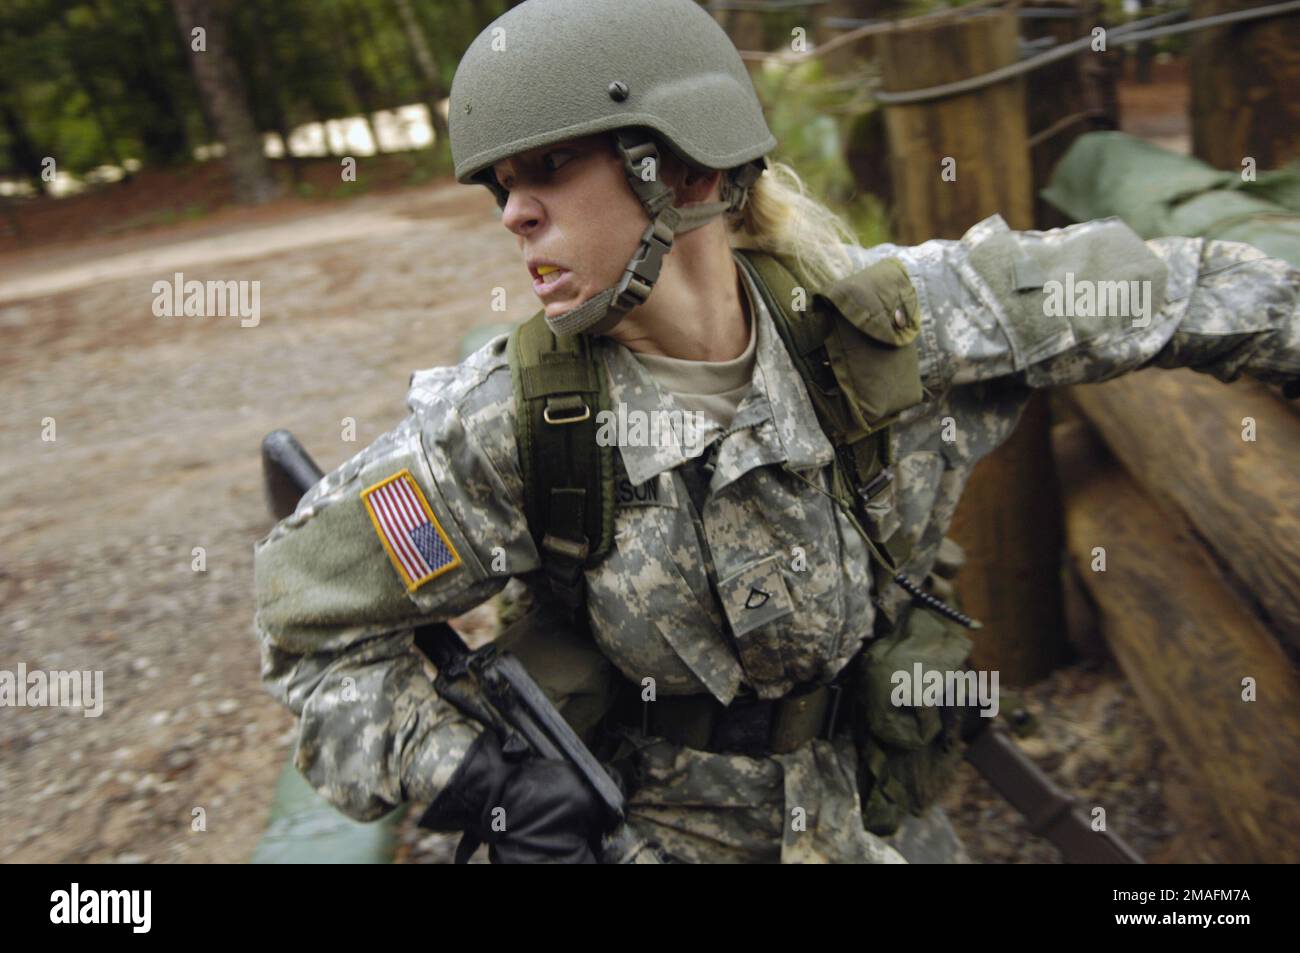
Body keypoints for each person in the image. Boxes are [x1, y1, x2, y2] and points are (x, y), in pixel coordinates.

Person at [253, 0, 1300, 864]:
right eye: (503, 185)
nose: (513, 214)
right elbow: (307, 629)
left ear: (690, 174)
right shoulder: (512, 431)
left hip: (882, 820)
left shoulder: (882, 333)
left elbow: (1163, 288)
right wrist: (477, 782)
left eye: (551, 167)